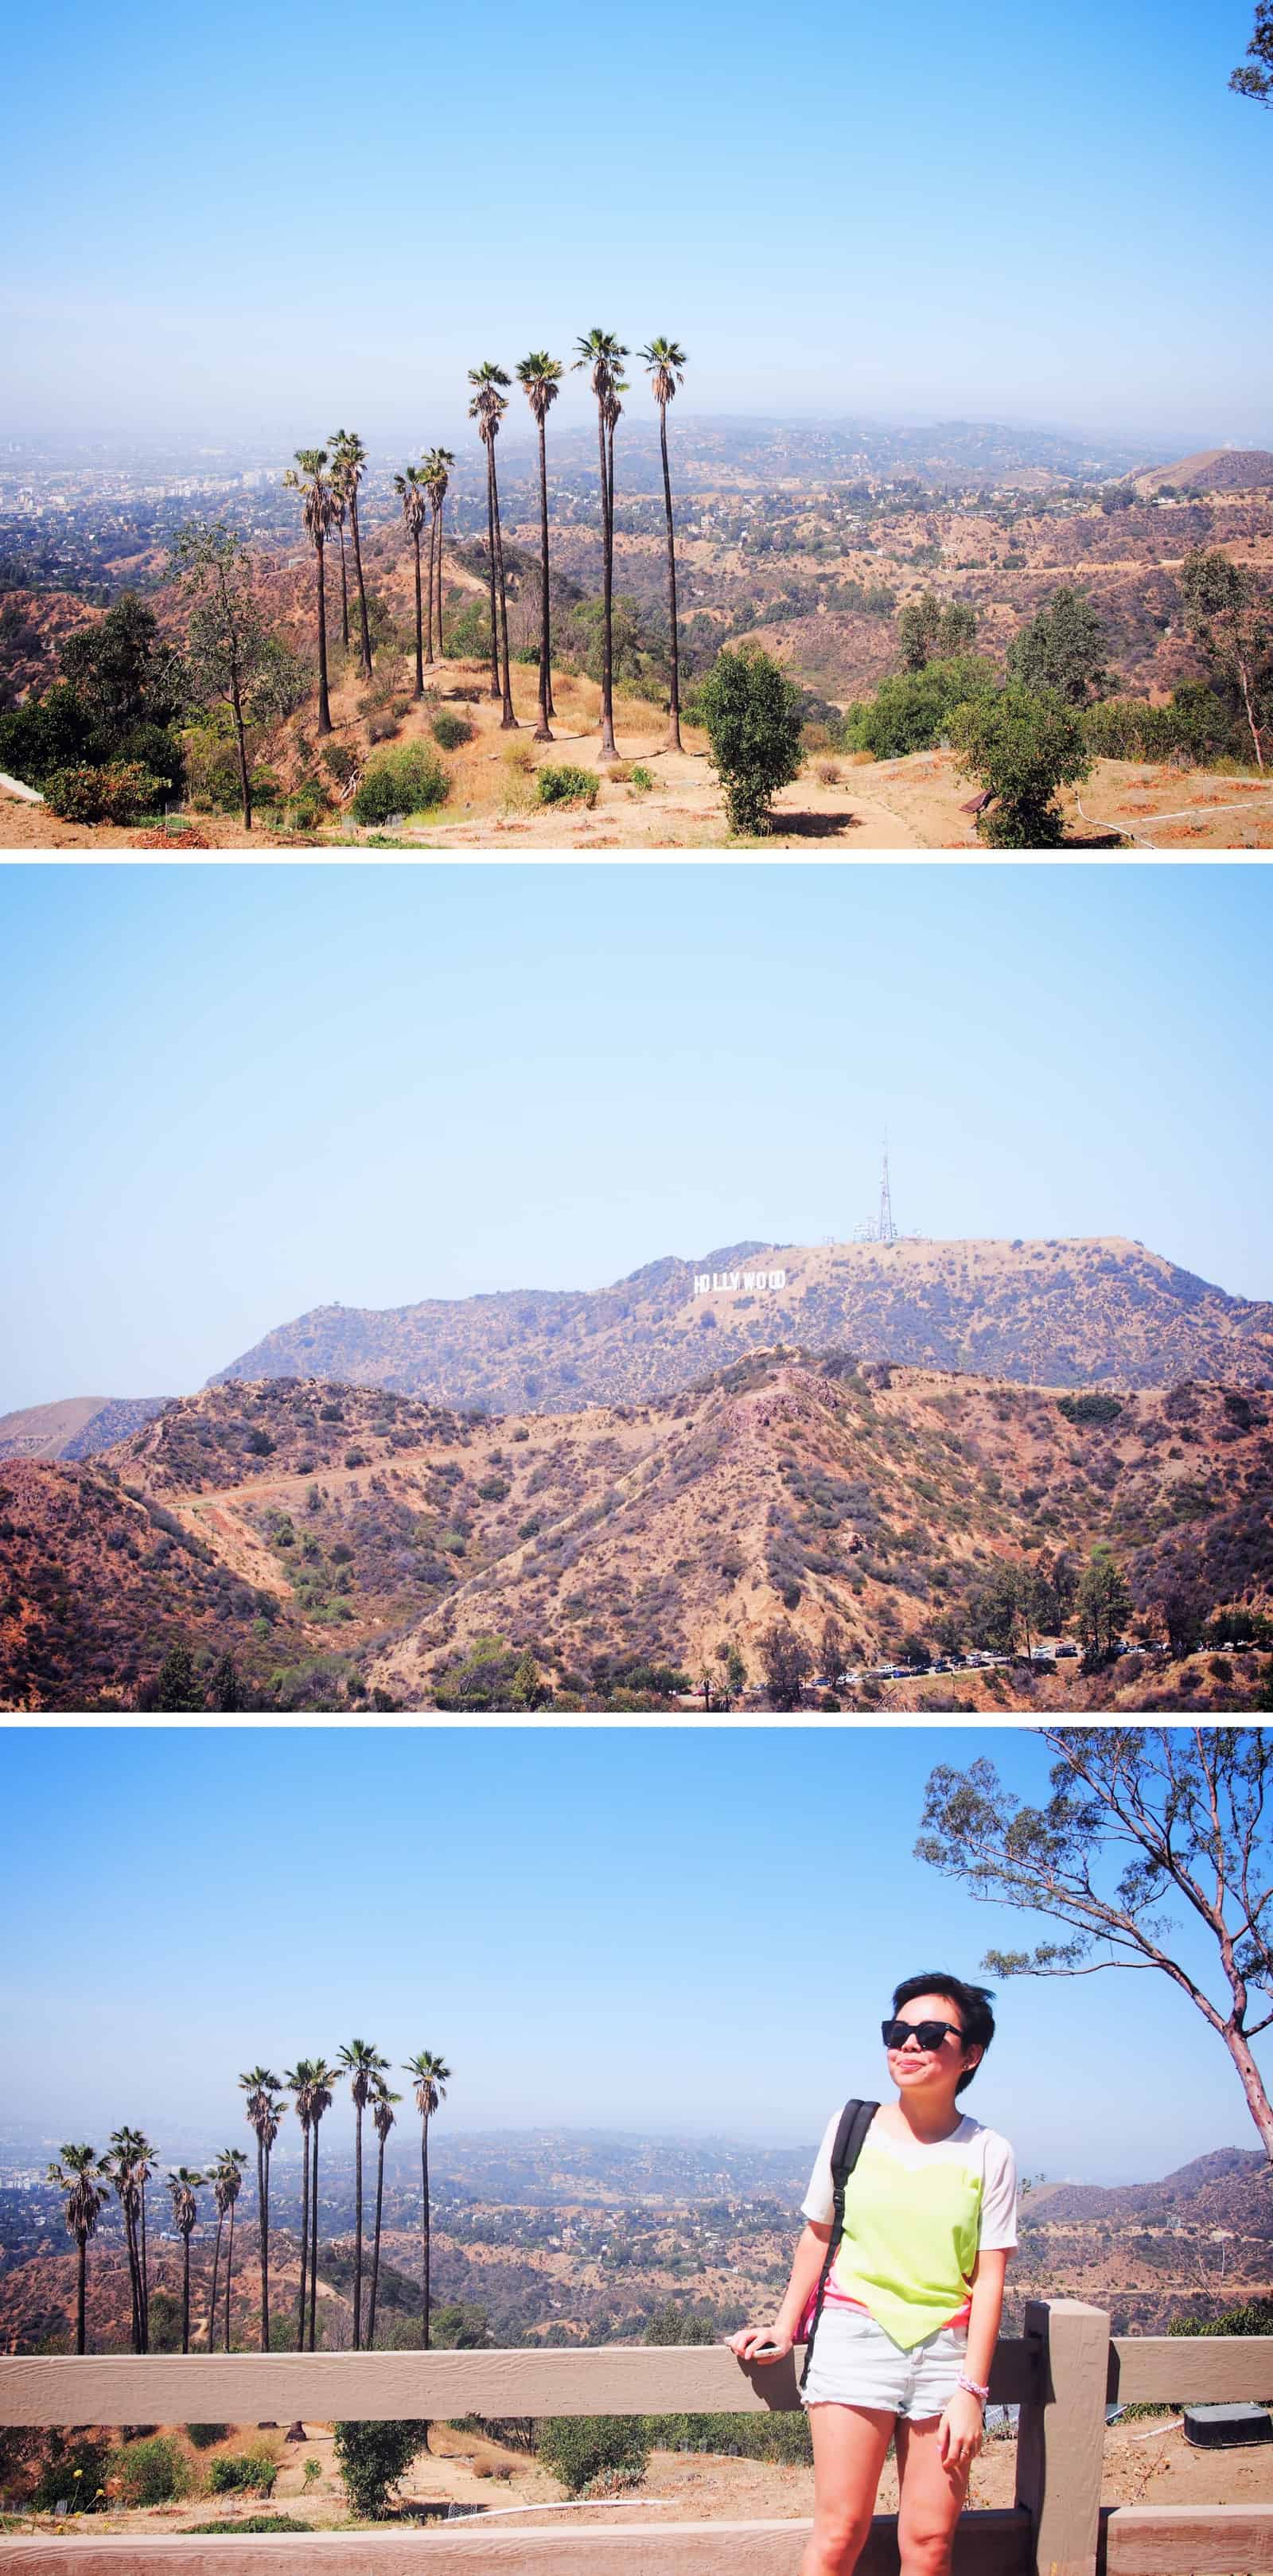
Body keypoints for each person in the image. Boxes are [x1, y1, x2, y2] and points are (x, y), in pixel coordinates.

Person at [728, 1972, 1017, 2576]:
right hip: (854, 2339)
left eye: (931, 2032)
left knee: (931, 2542)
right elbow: (819, 2233)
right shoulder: (851, 2126)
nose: (909, 2044)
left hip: (946, 2354)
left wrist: (971, 2391)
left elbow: (990, 2278)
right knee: (839, 2534)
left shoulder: (989, 2151)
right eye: (898, 2031)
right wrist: (786, 2326)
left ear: (970, 2055)